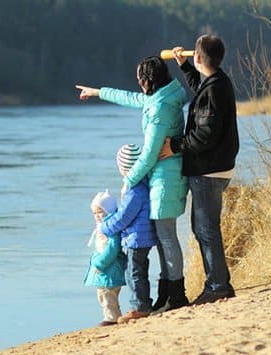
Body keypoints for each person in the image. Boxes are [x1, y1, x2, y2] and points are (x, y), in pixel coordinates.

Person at [76, 56, 189, 312]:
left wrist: (128, 180)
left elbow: (149, 154)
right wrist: (97, 92)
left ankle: (176, 295)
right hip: (161, 175)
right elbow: (131, 98)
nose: (138, 83)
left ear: (150, 80)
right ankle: (166, 295)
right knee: (163, 237)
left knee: (167, 237)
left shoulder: (160, 108)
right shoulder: (158, 98)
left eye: (140, 78)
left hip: (166, 178)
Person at [159, 35, 239, 305]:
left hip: (209, 169)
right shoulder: (217, 82)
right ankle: (217, 283)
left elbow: (204, 133)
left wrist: (175, 146)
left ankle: (218, 285)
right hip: (218, 167)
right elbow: (201, 92)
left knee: (205, 228)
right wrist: (184, 65)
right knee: (203, 226)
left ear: (200, 57)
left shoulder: (214, 88)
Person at [101, 144, 158, 323]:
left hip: (137, 238)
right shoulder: (141, 185)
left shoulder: (135, 190)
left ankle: (139, 307)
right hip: (140, 236)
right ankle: (143, 303)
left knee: (135, 271)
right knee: (137, 270)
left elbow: (124, 217)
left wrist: (105, 227)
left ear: (123, 168)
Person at [83, 190, 126, 326]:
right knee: (105, 294)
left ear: (109, 211)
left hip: (109, 269)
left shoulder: (110, 228)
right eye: (94, 213)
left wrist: (100, 264)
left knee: (106, 293)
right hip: (107, 269)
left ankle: (111, 318)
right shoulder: (102, 227)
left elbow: (112, 249)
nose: (97, 216)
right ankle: (114, 315)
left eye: (100, 212)